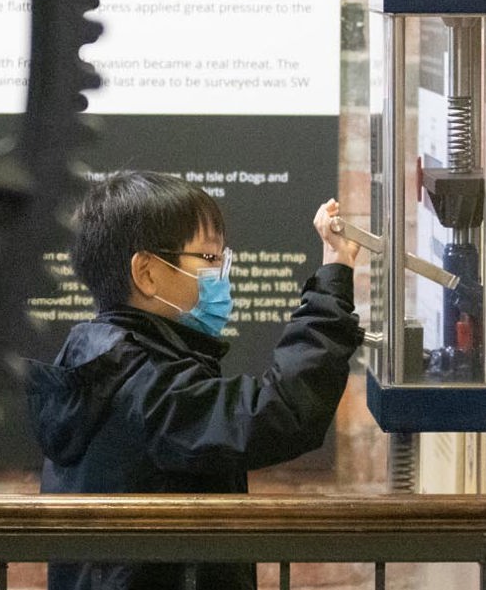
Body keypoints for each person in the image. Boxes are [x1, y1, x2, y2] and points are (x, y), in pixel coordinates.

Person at [27, 170, 363, 590]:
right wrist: (331, 287)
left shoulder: (104, 357)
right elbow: (278, 412)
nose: (221, 274)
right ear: (146, 273)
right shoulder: (139, 380)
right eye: (208, 259)